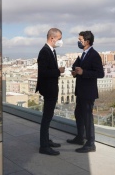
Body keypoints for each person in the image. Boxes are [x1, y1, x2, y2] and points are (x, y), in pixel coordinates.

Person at [67, 31, 104, 153]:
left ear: (87, 41)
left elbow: (100, 73)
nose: (78, 41)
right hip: (81, 91)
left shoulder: (94, 55)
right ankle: (80, 137)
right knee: (78, 114)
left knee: (88, 118)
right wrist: (75, 72)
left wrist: (84, 72)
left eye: (80, 39)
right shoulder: (83, 55)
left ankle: (90, 143)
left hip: (88, 92)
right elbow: (75, 67)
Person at [36, 28, 65, 156]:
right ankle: (44, 146)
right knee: (46, 118)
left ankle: (46, 141)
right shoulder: (44, 52)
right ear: (52, 38)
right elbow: (43, 73)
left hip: (51, 88)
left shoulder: (50, 51)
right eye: (59, 39)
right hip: (48, 90)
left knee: (48, 117)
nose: (60, 41)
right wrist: (58, 71)